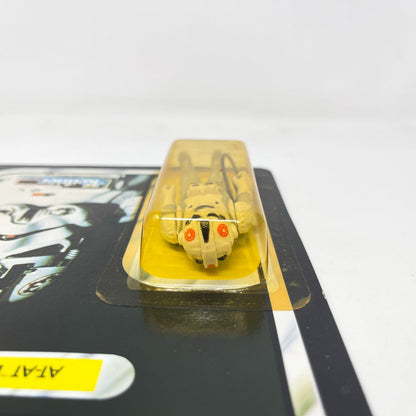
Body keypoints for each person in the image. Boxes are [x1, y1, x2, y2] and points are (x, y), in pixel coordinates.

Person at [160, 151, 254, 268]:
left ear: (182, 237)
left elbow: (168, 216)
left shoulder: (172, 232)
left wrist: (168, 197)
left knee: (188, 176)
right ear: (232, 231)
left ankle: (186, 162)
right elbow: (245, 202)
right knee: (217, 173)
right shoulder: (241, 222)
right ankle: (216, 159)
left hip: (189, 194)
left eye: (191, 234)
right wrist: (243, 186)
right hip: (216, 190)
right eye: (221, 230)